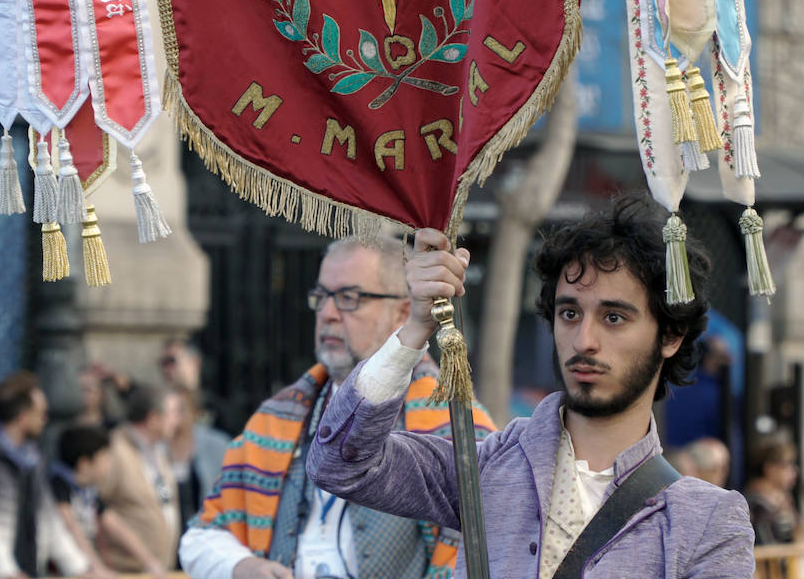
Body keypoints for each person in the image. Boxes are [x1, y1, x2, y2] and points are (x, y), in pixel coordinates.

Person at [307, 196, 755, 577]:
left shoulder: (708, 522)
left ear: (670, 336)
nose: (584, 341)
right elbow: (339, 464)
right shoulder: (482, 468)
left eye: (614, 317)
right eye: (569, 314)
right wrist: (416, 326)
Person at [179, 237, 496, 579]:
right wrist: (242, 566)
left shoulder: (458, 425)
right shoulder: (277, 418)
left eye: (349, 298)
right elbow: (199, 537)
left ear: (403, 312)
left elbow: (497, 550)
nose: (328, 314)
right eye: (322, 297)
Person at [0, 370, 89, 579]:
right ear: (23, 417)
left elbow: (49, 519)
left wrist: (80, 569)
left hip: (26, 568)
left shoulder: (34, 457)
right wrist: (7, 572)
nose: (45, 419)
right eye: (41, 412)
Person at [96, 383, 181, 576]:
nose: (178, 421)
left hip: (158, 570)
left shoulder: (158, 450)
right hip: (124, 572)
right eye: (173, 413)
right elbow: (96, 509)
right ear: (152, 419)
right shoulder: (114, 450)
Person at [50, 425, 116, 579]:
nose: (110, 464)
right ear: (84, 463)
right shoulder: (58, 484)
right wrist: (97, 567)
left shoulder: (88, 489)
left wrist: (150, 561)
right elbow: (70, 526)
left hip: (85, 568)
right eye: (105, 457)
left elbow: (114, 523)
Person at [169, 384, 230, 539]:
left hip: (207, 536)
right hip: (167, 539)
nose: (175, 417)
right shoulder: (156, 446)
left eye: (181, 410)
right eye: (169, 411)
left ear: (195, 412)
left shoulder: (217, 445)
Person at [744, 434, 804, 545]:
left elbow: (802, 539)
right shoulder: (756, 504)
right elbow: (768, 547)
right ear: (770, 469)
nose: (794, 471)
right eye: (787, 465)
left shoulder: (784, 499)